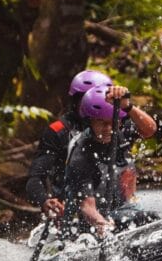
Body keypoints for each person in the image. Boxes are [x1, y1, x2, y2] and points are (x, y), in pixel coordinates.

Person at [63, 84, 158, 238]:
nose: (108, 129)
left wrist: (128, 107)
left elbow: (150, 129)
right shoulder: (81, 157)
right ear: (90, 121)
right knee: (146, 218)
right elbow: (88, 207)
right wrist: (102, 224)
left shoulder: (119, 130)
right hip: (97, 222)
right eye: (101, 123)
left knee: (150, 217)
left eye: (111, 123)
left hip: (126, 207)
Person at [25, 70, 113, 220]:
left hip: (109, 202)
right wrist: (45, 201)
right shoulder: (58, 131)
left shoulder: (115, 125)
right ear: (77, 102)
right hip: (72, 208)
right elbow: (35, 178)